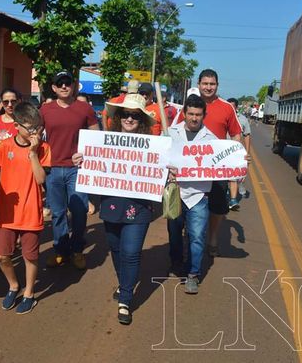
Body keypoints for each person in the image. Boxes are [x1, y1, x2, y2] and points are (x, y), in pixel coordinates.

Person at [73, 93, 155, 325]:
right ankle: (124, 284)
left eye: (135, 116)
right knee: (116, 249)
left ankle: (126, 300)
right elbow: (90, 166)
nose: (129, 119)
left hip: (138, 207)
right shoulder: (102, 142)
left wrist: (166, 170)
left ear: (141, 121)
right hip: (111, 204)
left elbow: (162, 170)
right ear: (118, 117)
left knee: (130, 252)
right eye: (125, 114)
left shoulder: (153, 146)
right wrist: (80, 159)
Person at [0, 102, 51, 314]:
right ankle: (13, 285)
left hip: (31, 211)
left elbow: (40, 179)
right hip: (8, 213)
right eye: (30, 128)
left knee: (30, 256)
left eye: (38, 128)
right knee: (1, 255)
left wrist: (33, 153)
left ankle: (29, 292)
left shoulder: (43, 149)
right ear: (17, 126)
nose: (35, 132)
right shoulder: (6, 146)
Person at [176, 69, 242, 257]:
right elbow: (175, 132)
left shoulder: (227, 108)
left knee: (218, 206)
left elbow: (236, 133)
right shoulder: (189, 106)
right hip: (190, 167)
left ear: (217, 86)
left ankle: (212, 237)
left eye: (212, 84)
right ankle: (190, 236)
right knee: (188, 204)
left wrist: (237, 159)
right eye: (205, 83)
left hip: (217, 168)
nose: (208, 87)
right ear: (199, 84)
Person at [40, 70, 99, 270]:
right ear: (54, 88)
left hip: (77, 169)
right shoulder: (45, 110)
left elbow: (96, 136)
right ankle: (60, 250)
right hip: (53, 169)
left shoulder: (85, 109)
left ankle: (77, 250)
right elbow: (36, 135)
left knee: (79, 211)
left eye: (67, 83)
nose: (64, 86)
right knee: (57, 213)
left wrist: (86, 154)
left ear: (73, 86)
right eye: (60, 84)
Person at [167, 95, 217, 294]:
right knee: (174, 233)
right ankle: (176, 262)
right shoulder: (170, 133)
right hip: (175, 192)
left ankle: (193, 275)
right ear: (184, 113)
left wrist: (239, 162)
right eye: (191, 114)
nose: (194, 118)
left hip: (199, 195)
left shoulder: (212, 140)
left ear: (203, 115)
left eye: (198, 114)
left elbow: (221, 164)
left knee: (196, 236)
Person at [227, 98, 251, 209]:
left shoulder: (243, 120)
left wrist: (247, 152)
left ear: (236, 107)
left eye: (233, 106)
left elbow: (246, 135)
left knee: (233, 174)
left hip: (236, 152)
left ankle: (232, 200)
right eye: (228, 106)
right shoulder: (223, 116)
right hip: (221, 152)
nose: (230, 108)